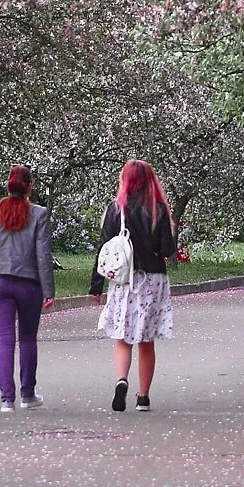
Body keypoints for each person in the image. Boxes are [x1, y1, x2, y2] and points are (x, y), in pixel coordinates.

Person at [90, 160, 178, 413]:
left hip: (123, 281)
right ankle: (143, 397)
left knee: (123, 336)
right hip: (152, 279)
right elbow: (166, 249)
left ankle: (121, 379)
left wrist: (96, 286)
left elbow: (104, 249)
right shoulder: (158, 210)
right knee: (146, 339)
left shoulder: (116, 209)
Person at [0, 166, 56, 412]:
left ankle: (7, 400)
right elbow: (43, 254)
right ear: (30, 187)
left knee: (4, 339)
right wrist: (49, 289)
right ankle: (27, 395)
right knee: (27, 339)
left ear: (8, 185)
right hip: (28, 283)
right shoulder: (39, 214)